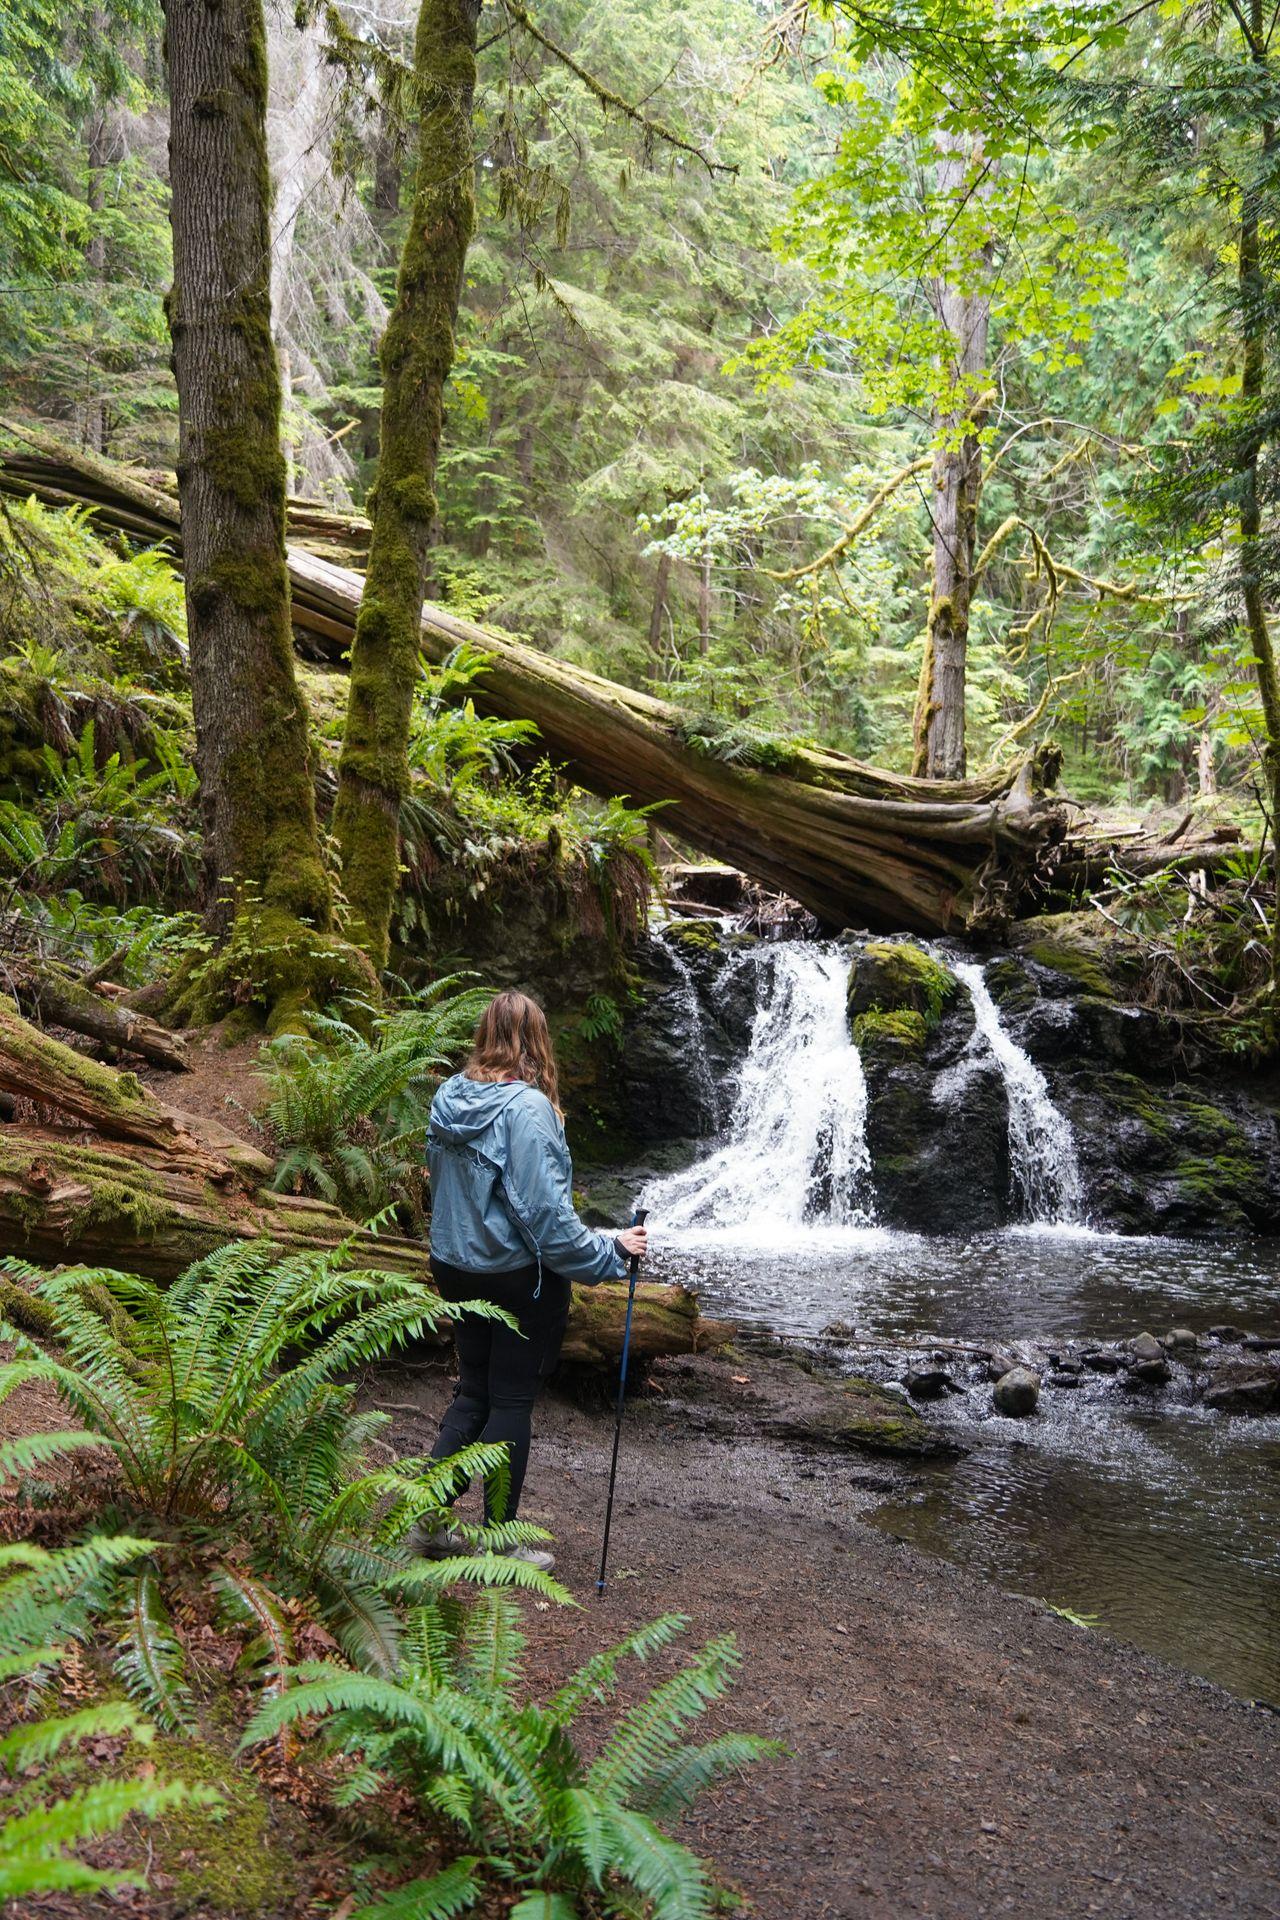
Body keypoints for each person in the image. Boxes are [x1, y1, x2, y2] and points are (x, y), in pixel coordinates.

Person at [423, 988, 648, 1572]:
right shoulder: (526, 1110)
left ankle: (424, 1520)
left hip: (455, 1265)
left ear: (485, 1035)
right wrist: (610, 1251)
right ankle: (499, 1543)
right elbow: (547, 1223)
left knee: (473, 1391)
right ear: (536, 1040)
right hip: (516, 1277)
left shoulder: (450, 1094)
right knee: (510, 1401)